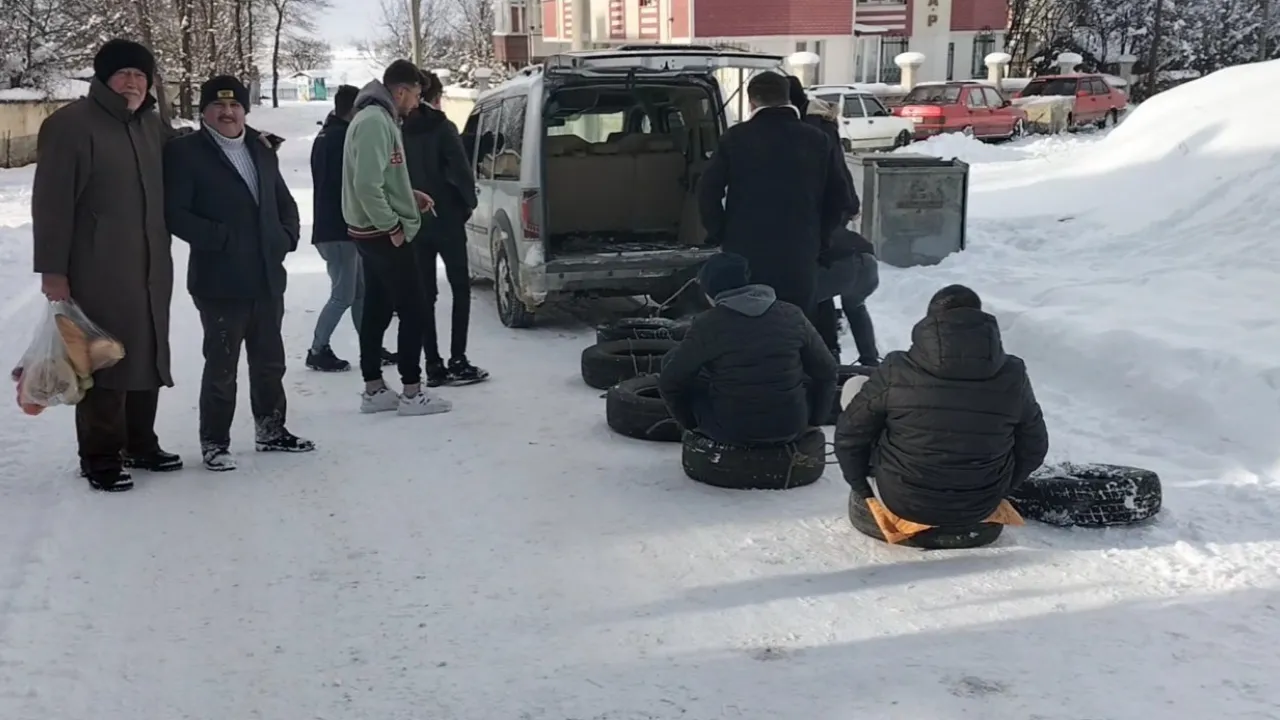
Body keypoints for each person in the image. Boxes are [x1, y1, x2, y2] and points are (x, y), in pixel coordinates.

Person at [31, 39, 178, 492]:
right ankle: (100, 456)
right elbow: (51, 203)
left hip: (151, 264)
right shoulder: (71, 126)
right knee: (102, 358)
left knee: (147, 351)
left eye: (140, 74)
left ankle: (140, 442)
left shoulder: (153, 124)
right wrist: (53, 269)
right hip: (96, 267)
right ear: (102, 79)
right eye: (122, 75)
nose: (132, 82)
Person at [163, 75, 314, 471]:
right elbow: (175, 213)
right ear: (204, 113)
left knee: (269, 361)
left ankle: (271, 429)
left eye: (235, 106)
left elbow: (283, 201)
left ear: (245, 110)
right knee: (222, 365)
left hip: (266, 275)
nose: (228, 113)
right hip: (220, 280)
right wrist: (222, 238)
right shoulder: (186, 153)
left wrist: (286, 235)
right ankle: (215, 442)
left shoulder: (261, 148)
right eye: (218, 106)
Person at [834, 284, 1050, 530]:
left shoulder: (896, 367)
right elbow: (1035, 446)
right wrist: (1002, 488)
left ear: (931, 323)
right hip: (979, 506)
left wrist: (862, 490)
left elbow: (849, 436)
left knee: (857, 387)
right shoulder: (1013, 373)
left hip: (902, 502)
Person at [343, 59, 452, 416]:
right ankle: (411, 391)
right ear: (401, 91)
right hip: (381, 233)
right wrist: (393, 225)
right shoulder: (375, 121)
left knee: (376, 307)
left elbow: (381, 176)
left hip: (368, 232)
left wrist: (409, 194)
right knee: (415, 309)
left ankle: (374, 388)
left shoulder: (374, 117)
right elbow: (366, 185)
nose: (418, 102)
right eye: (418, 95)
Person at [697, 71, 851, 317]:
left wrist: (719, 233)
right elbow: (839, 197)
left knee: (749, 324)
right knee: (796, 325)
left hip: (746, 251)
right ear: (787, 97)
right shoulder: (817, 140)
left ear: (751, 101)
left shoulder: (736, 138)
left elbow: (708, 190)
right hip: (800, 251)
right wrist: (820, 239)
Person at [657, 252, 838, 446]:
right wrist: (816, 420)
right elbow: (828, 370)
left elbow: (671, 380)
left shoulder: (707, 324)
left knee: (674, 362)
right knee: (797, 371)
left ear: (711, 291)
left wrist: (690, 423)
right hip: (791, 426)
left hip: (732, 431)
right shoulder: (792, 314)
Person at [402, 70, 487, 387]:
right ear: (436, 97)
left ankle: (433, 364)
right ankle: (458, 358)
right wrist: (466, 205)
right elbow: (462, 172)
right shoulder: (443, 128)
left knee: (426, 295)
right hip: (448, 219)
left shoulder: (399, 129)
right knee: (460, 289)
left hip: (414, 222)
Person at [308, 84, 390, 372]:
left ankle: (370, 345)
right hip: (340, 228)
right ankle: (317, 349)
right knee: (344, 293)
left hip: (332, 228)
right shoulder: (344, 138)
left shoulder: (326, 136)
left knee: (359, 292)